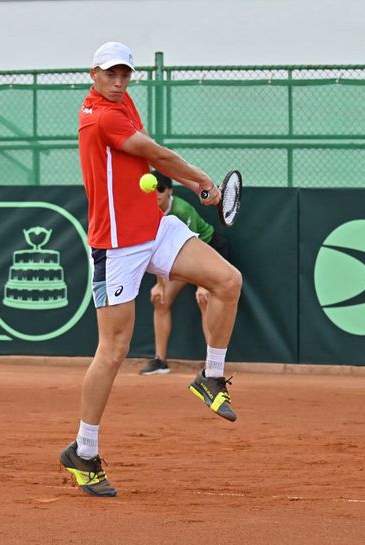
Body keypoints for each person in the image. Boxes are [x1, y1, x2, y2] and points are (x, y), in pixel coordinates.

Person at [59, 42, 243, 497]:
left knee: (227, 280)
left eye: (124, 73)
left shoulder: (122, 101)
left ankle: (211, 376)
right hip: (116, 246)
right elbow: (155, 155)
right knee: (114, 349)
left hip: (154, 228)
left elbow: (144, 160)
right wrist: (200, 180)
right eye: (110, 74)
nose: (119, 81)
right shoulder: (101, 115)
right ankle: (83, 450)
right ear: (93, 74)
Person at [140, 171, 231, 375]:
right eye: (154, 189)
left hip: (209, 248)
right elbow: (159, 251)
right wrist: (160, 286)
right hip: (178, 258)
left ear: (169, 191)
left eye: (161, 189)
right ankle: (160, 361)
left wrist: (202, 284)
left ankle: (213, 367)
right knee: (160, 300)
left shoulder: (181, 210)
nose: (157, 194)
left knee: (204, 297)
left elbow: (196, 247)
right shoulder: (149, 211)